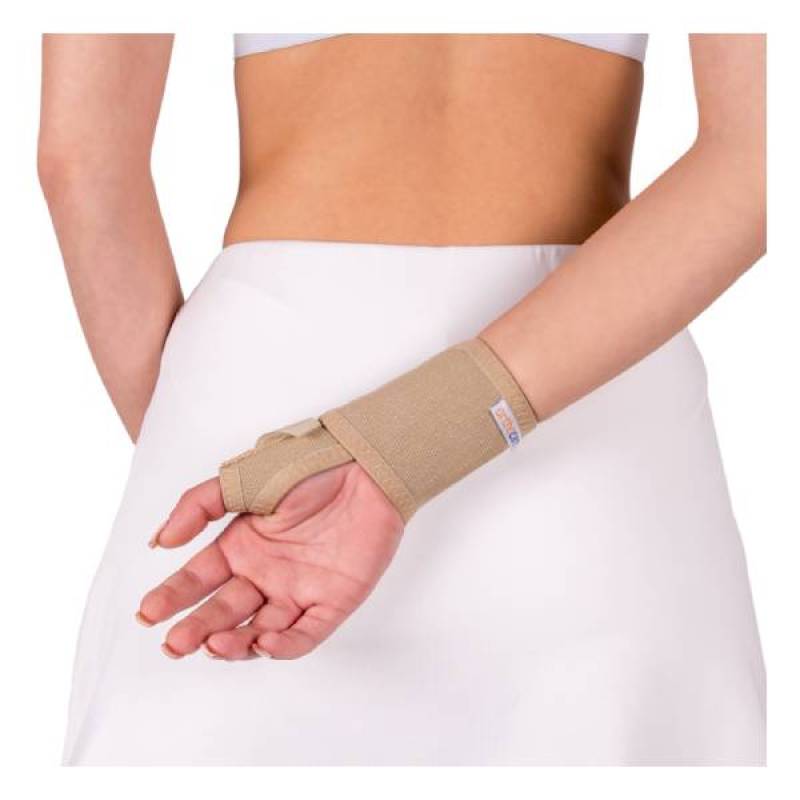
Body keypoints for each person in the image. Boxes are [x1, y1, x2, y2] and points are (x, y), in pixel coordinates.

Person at [38, 33, 766, 766]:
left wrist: (194, 442)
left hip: (270, 394)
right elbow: (760, 154)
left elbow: (83, 161)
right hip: (591, 400)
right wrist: (425, 435)